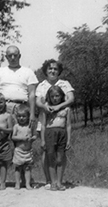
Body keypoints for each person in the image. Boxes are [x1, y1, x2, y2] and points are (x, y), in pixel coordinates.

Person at [36, 59, 74, 189]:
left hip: (61, 120)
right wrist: (45, 107)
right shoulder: (41, 85)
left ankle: (59, 181)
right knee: (46, 151)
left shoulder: (64, 83)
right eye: (50, 69)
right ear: (46, 70)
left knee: (60, 154)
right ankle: (49, 180)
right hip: (46, 119)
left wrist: (59, 107)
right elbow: (38, 102)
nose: (52, 71)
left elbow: (71, 99)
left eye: (55, 69)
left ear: (59, 71)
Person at [0, 45, 38, 129]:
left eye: (15, 55)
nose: (13, 58)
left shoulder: (28, 72)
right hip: (2, 108)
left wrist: (32, 113)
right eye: (10, 55)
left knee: (21, 136)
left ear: (19, 56)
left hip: (21, 109)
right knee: (0, 136)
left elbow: (32, 94)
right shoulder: (0, 71)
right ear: (6, 57)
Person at [40, 85, 71, 191]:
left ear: (61, 96)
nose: (55, 98)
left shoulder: (66, 109)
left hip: (62, 134)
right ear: (49, 97)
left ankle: (59, 182)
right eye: (52, 96)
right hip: (50, 134)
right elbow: (43, 125)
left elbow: (68, 125)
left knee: (60, 158)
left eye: (57, 96)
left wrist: (69, 139)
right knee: (51, 158)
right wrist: (43, 140)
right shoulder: (46, 108)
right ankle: (53, 182)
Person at [12, 104, 37, 190]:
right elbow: (13, 137)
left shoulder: (30, 126)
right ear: (16, 117)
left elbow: (35, 135)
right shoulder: (16, 126)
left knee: (27, 168)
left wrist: (32, 138)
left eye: (23, 116)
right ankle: (17, 183)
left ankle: (27, 183)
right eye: (19, 116)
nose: (21, 118)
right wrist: (22, 138)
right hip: (19, 151)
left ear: (28, 116)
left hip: (28, 151)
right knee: (18, 168)